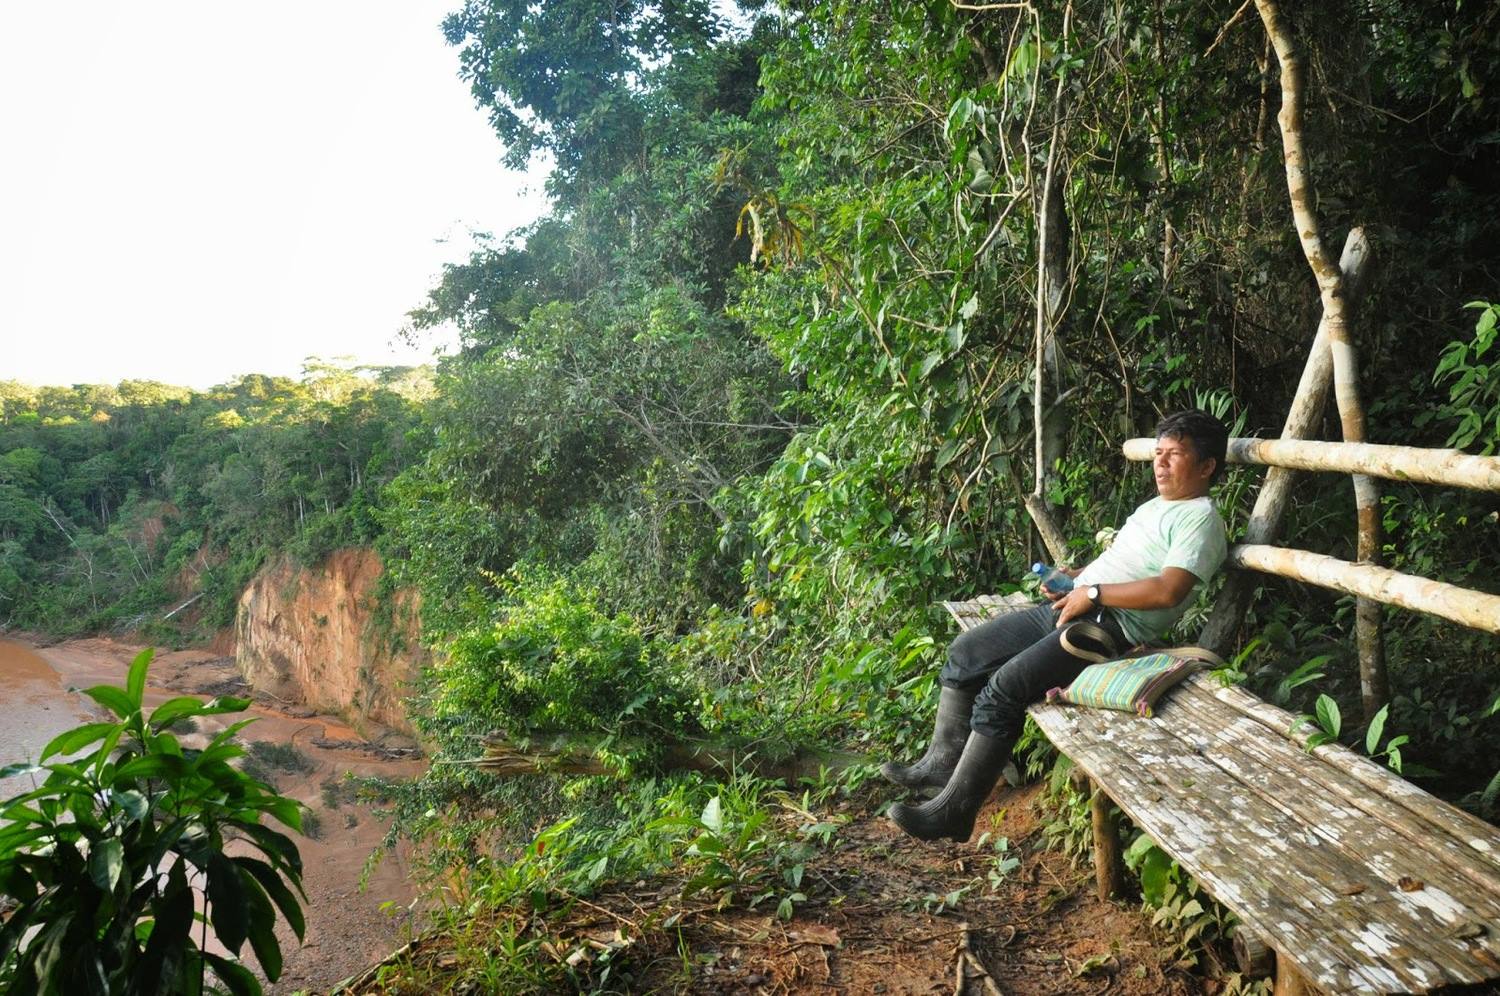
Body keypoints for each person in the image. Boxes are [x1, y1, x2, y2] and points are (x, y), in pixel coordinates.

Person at [885, 408, 1230, 842]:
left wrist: (1095, 593)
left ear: (1206, 466)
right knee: (967, 652)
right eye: (1157, 453)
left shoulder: (1200, 518)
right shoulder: (1155, 507)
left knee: (1005, 688)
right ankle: (941, 764)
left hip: (1109, 628)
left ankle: (955, 812)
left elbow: (1168, 591)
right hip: (1077, 603)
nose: (1159, 463)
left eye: (1173, 455)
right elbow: (1125, 565)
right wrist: (1078, 577)